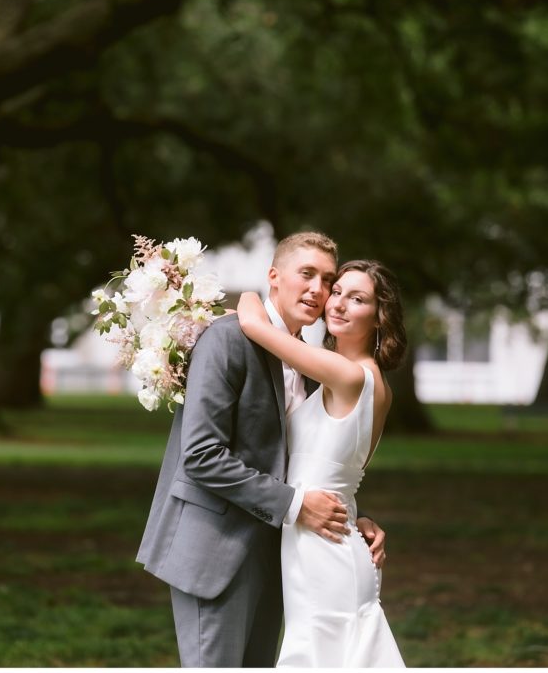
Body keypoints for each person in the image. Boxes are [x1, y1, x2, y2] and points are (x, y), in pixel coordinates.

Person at [136, 232, 389, 667]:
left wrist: (350, 513)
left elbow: (309, 458)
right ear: (275, 276)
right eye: (306, 274)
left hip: (283, 559)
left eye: (327, 279)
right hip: (216, 551)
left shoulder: (311, 364)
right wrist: (295, 505)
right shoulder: (227, 339)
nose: (317, 289)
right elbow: (200, 456)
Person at [236, 258, 407, 667]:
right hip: (328, 536)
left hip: (323, 550)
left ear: (380, 315)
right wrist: (358, 516)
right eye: (339, 292)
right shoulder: (356, 375)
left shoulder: (349, 375)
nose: (339, 304)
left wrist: (252, 290)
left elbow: (255, 325)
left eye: (358, 298)